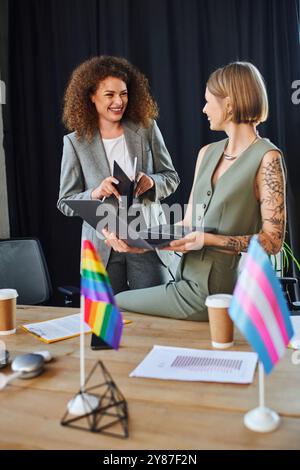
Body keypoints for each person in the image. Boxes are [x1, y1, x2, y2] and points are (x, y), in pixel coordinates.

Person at [104, 61, 286, 321]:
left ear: (230, 104)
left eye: (208, 101)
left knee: (116, 302)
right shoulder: (207, 153)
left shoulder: (267, 158)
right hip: (184, 278)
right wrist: (138, 243)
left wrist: (208, 240)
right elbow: (188, 223)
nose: (204, 109)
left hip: (214, 293)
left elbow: (272, 242)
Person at [57, 56, 180, 296]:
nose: (118, 101)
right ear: (91, 96)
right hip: (102, 248)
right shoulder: (74, 142)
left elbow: (172, 177)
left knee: (153, 323)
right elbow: (65, 202)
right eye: (109, 95)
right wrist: (96, 192)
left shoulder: (146, 128)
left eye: (123, 94)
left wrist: (152, 182)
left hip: (148, 243)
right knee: (105, 328)